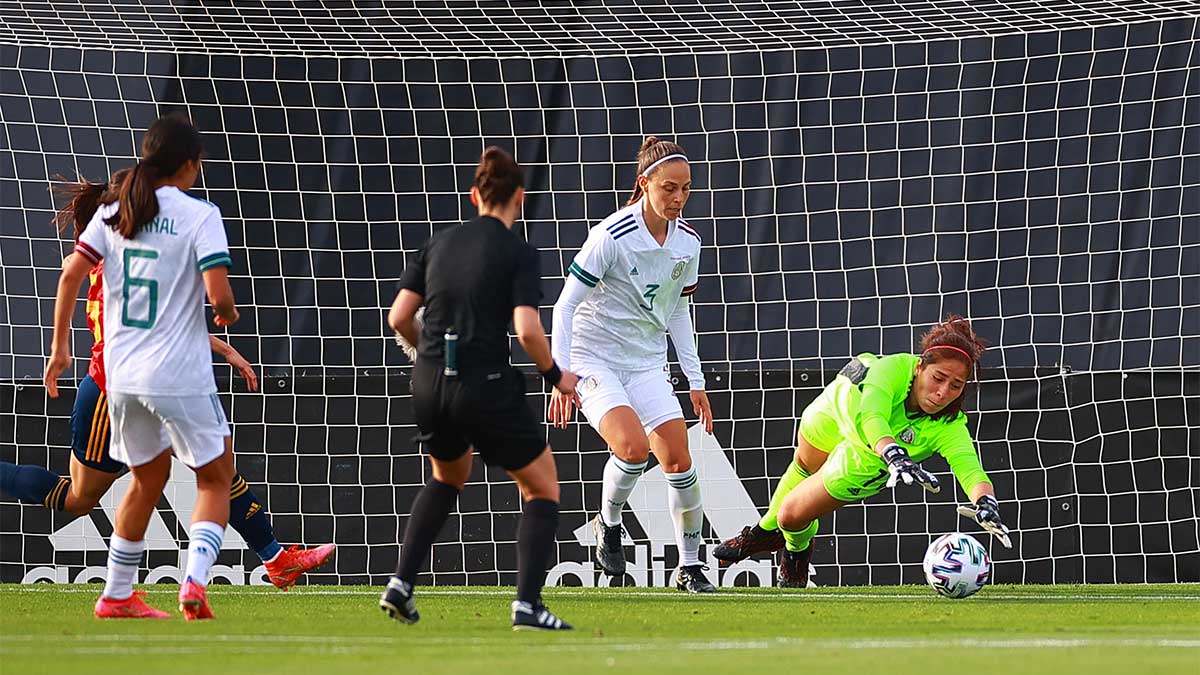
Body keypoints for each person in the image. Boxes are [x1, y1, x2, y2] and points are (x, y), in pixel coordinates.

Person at [4, 167, 334, 593]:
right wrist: (60, 348)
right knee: (79, 499)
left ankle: (275, 558)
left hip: (147, 381)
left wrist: (224, 348)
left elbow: (162, 320)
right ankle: (151, 585)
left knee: (216, 472)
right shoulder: (116, 257)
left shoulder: (123, 250)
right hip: (112, 392)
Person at [45, 113, 238, 619]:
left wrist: (60, 348)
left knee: (146, 480)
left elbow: (71, 273)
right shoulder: (200, 214)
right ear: (190, 165)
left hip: (122, 378)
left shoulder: (114, 209)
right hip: (180, 373)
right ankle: (194, 581)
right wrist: (226, 313)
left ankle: (115, 594)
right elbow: (218, 296)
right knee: (216, 480)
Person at [379, 147, 578, 631]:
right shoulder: (520, 253)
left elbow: (398, 317)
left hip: (427, 384)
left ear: (475, 196)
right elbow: (528, 330)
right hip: (484, 384)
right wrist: (557, 377)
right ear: (520, 199)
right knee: (542, 486)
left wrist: (425, 351)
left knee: (448, 477)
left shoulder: (438, 244)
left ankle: (401, 585)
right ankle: (527, 606)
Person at [712, 316, 1013, 587]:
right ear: (920, 366)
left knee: (790, 516)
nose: (942, 392)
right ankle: (766, 532)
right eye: (938, 378)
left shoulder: (949, 424)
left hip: (868, 456)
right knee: (804, 461)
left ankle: (795, 550)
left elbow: (970, 467)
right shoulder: (893, 368)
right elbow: (872, 415)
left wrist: (985, 501)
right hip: (843, 403)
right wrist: (895, 453)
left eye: (956, 385)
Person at [549, 136, 715, 593]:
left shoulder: (689, 243)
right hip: (593, 356)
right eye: (669, 189)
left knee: (679, 458)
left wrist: (694, 380)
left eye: (686, 189)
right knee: (632, 448)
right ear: (644, 184)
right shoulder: (610, 236)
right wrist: (561, 376)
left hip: (645, 362)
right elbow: (564, 307)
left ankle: (690, 567)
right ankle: (609, 522)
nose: (678, 198)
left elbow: (679, 310)